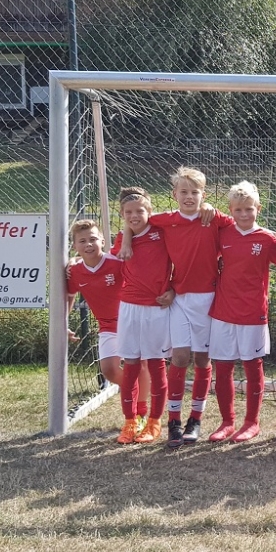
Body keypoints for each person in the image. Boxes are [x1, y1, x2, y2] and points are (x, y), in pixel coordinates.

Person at [121, 167, 234, 449]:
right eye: (184, 192)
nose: (189, 197)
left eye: (195, 192)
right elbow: (134, 219)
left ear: (203, 195)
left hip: (208, 298)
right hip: (180, 299)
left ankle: (195, 419)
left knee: (202, 360)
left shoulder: (213, 217)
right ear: (174, 195)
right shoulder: (165, 221)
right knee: (180, 357)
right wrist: (126, 239)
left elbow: (244, 223)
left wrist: (211, 208)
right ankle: (173, 420)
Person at [208, 181, 276, 443]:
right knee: (223, 368)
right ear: (230, 210)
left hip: (253, 313)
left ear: (258, 209)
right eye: (238, 210)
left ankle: (252, 422)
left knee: (253, 367)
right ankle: (227, 422)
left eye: (249, 209)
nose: (244, 214)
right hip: (223, 312)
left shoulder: (267, 238)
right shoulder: (223, 234)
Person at [66, 220, 144, 424]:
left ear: (102, 240)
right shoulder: (74, 271)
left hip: (132, 322)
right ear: (75, 246)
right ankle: (132, 388)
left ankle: (140, 413)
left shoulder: (117, 263)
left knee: (142, 366)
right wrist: (63, 322)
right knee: (109, 370)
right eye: (82, 241)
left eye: (93, 239)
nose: (88, 244)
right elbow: (69, 295)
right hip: (108, 326)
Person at [113, 187, 172, 444]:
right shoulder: (121, 238)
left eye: (139, 211)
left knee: (156, 365)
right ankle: (130, 421)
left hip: (156, 307)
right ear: (122, 214)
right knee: (130, 365)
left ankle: (154, 422)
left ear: (150, 211)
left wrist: (173, 289)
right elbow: (108, 261)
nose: (134, 216)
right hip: (129, 307)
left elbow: (181, 261)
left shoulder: (162, 232)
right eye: (128, 212)